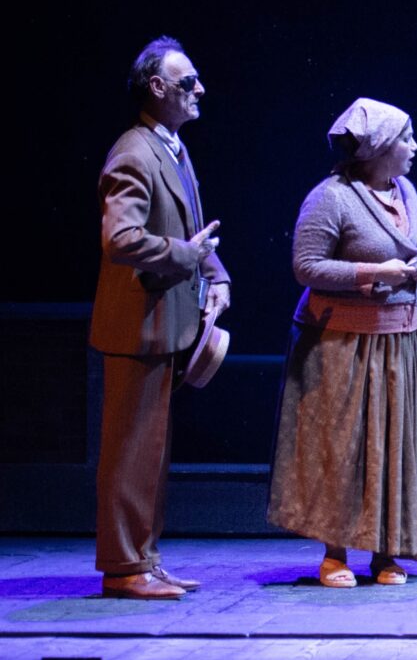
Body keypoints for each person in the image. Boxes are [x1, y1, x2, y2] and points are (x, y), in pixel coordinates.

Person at [268, 98, 417, 586]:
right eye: (406, 139)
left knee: (393, 448)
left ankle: (387, 553)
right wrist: (374, 272)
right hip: (341, 345)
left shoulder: (406, 191)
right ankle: (335, 553)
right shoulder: (332, 198)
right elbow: (307, 266)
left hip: (400, 339)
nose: (414, 147)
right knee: (341, 449)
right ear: (379, 149)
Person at [90, 36, 231, 600]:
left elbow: (189, 226)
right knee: (129, 455)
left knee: (152, 454)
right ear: (158, 87)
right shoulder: (133, 150)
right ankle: (124, 569)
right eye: (188, 81)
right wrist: (187, 258)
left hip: (168, 325)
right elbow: (119, 239)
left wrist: (215, 274)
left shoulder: (170, 147)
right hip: (137, 327)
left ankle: (144, 558)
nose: (199, 89)